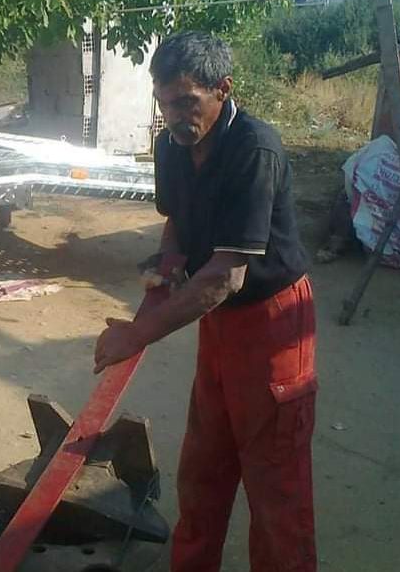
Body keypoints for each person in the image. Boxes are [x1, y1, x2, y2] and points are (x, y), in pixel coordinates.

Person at [93, 31, 318, 571]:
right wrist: (168, 263)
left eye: (187, 101)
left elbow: (226, 278)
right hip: (217, 324)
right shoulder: (171, 145)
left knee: (274, 487)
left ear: (223, 89)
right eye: (165, 102)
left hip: (274, 324)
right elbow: (176, 221)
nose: (174, 114)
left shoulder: (254, 149)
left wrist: (136, 334)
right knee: (203, 470)